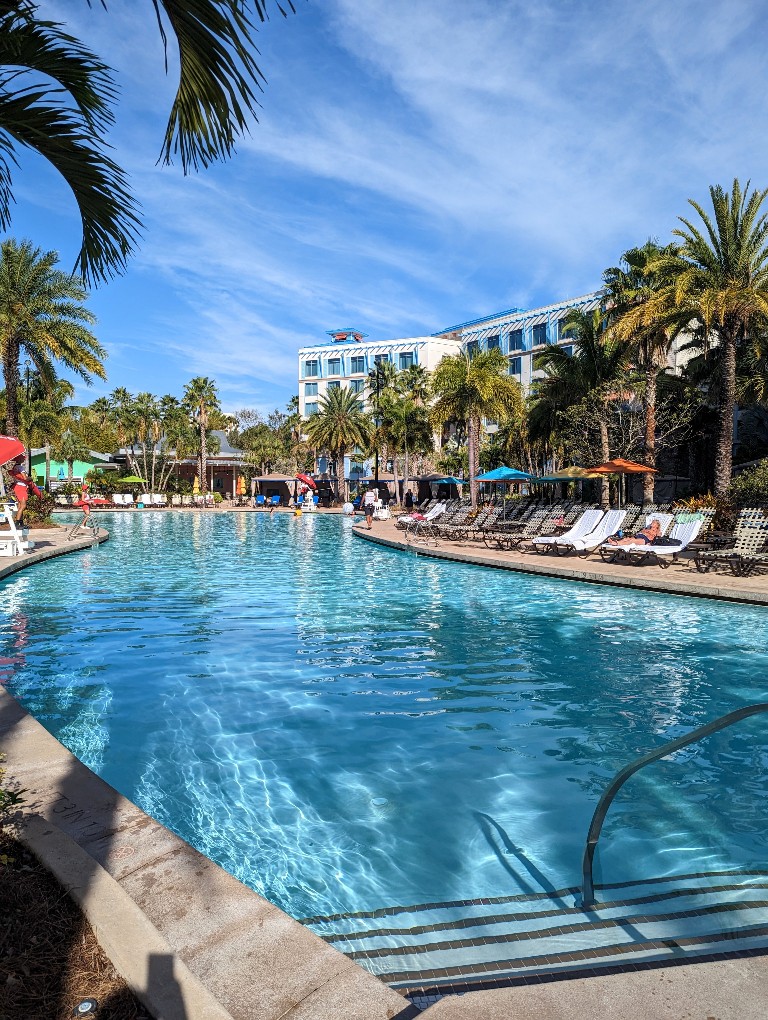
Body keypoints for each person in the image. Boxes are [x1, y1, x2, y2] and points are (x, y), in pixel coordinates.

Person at [6, 455, 41, 526]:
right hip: (21, 488)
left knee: (20, 505)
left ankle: (21, 523)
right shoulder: (21, 468)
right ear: (19, 459)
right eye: (22, 458)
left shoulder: (15, 467)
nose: (23, 459)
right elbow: (25, 478)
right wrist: (31, 478)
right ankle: (17, 523)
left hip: (17, 487)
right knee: (23, 506)